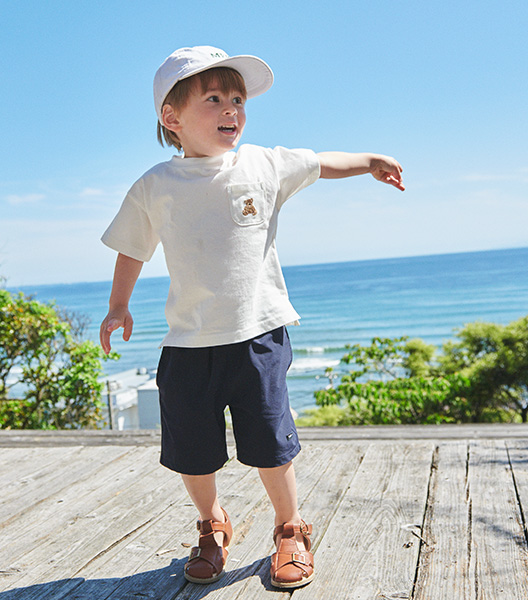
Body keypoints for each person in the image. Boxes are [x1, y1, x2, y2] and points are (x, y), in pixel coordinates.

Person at [99, 45, 404, 589]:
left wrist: (369, 162)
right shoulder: (155, 185)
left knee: (270, 441)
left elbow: (319, 161)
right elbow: (131, 248)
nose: (231, 109)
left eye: (237, 99)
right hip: (188, 342)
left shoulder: (262, 163)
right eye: (214, 98)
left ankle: (290, 528)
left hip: (258, 333)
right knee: (192, 451)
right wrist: (118, 304)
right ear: (172, 117)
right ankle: (212, 523)